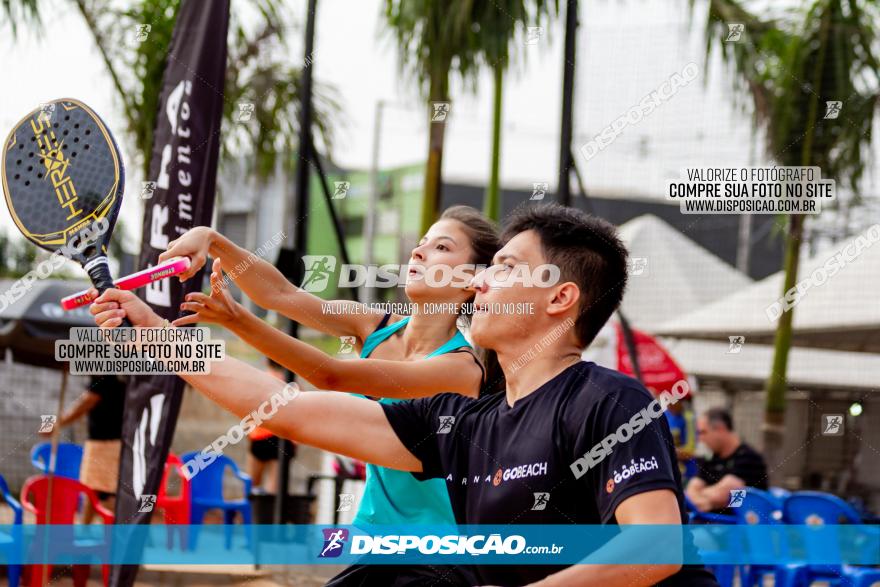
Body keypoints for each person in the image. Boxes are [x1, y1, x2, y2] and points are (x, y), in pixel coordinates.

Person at [92, 203, 718, 586]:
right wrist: (155, 336)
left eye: (502, 267)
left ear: (558, 298)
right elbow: (291, 406)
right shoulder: (460, 420)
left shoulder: (611, 401)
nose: (481, 283)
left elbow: (655, 546)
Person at [92, 206, 500, 529]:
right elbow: (280, 293)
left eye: (442, 248)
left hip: (434, 551)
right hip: (374, 534)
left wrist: (235, 322)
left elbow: (330, 375)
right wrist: (213, 241)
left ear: (470, 281)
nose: (419, 250)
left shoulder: (459, 369)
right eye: (423, 242)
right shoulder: (372, 325)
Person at [42, 375, 125, 522]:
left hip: (106, 444)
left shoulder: (105, 376)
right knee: (95, 491)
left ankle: (113, 538)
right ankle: (84, 533)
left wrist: (56, 425)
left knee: (106, 493)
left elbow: (85, 403)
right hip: (106, 443)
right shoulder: (114, 376)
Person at [686, 408, 768, 514]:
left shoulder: (749, 458)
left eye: (703, 432)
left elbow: (722, 495)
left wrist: (700, 497)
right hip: (711, 524)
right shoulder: (711, 459)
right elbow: (690, 492)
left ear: (720, 429)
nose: (700, 439)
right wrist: (705, 499)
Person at [247, 358, 288, 493]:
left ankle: (247, 512)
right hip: (282, 438)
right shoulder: (290, 383)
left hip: (260, 437)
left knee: (251, 485)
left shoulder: (260, 380)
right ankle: (268, 512)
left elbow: (249, 408)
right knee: (273, 489)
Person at [665, 397, 698, 482]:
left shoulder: (689, 418)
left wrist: (667, 452)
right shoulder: (665, 415)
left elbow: (690, 451)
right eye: (666, 400)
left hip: (687, 472)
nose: (669, 404)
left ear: (680, 400)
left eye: (672, 401)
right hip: (670, 471)